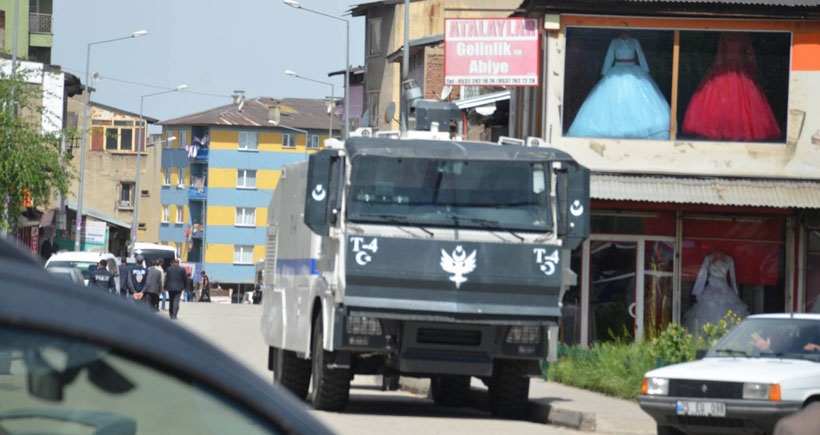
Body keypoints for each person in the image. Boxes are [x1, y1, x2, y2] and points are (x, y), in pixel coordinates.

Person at [567, 29, 671, 139]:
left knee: (634, 101)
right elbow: (609, 56)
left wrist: (645, 69)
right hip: (617, 70)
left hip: (632, 70)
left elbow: (640, 54)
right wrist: (605, 71)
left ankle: (639, 130)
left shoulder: (634, 41)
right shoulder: (614, 42)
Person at [682, 32, 781, 141]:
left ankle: (723, 130)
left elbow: (720, 55)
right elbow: (749, 54)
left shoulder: (725, 34)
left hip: (726, 67)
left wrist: (717, 69)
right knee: (741, 102)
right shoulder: (742, 35)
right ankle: (735, 131)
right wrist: (753, 69)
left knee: (721, 101)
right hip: (740, 68)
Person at [683, 249, 750, 335]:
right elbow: (702, 275)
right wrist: (697, 291)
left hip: (724, 289)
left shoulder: (729, 260)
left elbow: (733, 277)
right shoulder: (708, 259)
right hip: (711, 289)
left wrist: (735, 291)